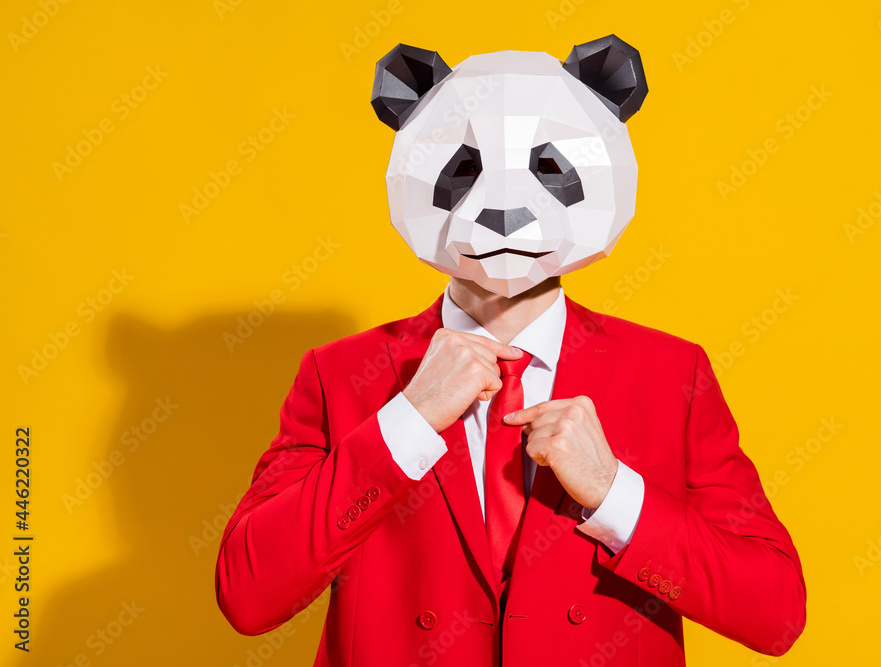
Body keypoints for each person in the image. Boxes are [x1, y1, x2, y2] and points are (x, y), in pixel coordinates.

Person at [216, 36, 806, 666]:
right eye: (464, 169)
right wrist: (403, 424)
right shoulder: (338, 377)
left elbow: (773, 614)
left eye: (548, 168)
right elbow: (250, 597)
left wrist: (614, 493)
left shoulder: (668, 374)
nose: (501, 211)